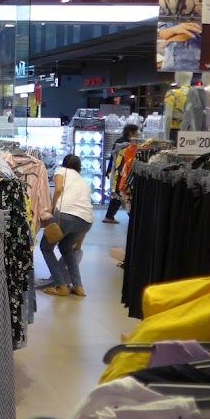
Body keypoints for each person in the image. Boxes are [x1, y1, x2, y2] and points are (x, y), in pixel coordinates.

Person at [41, 154, 94, 297]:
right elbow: (86, 208)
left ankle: (61, 285)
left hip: (65, 215)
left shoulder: (61, 170)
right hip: (86, 221)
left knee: (45, 248)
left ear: (64, 164)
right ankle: (78, 286)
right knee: (66, 248)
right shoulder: (83, 181)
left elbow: (58, 189)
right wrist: (79, 243)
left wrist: (53, 208)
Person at [103, 124, 139, 223]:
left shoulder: (118, 141)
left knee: (118, 195)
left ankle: (109, 216)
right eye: (136, 132)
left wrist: (109, 170)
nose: (138, 134)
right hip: (121, 173)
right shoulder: (126, 144)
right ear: (131, 132)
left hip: (116, 172)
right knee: (122, 194)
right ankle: (112, 216)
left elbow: (112, 158)